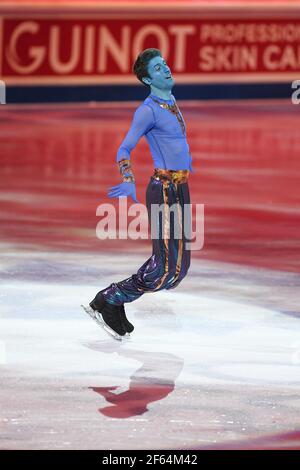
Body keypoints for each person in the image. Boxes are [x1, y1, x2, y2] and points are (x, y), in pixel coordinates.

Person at [82, 48, 194, 340]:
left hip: (181, 188)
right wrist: (128, 179)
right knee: (163, 269)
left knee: (178, 272)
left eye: (165, 64)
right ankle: (110, 297)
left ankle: (115, 302)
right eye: (158, 68)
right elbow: (124, 149)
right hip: (164, 190)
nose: (166, 69)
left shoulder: (169, 101)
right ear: (147, 78)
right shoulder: (147, 110)